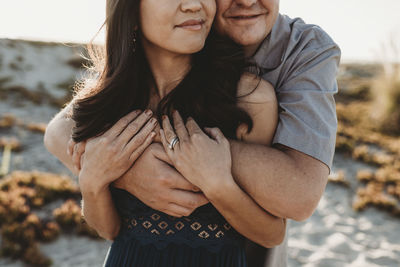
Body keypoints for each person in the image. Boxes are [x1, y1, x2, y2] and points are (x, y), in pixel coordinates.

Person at [45, 0, 341, 266]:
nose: (192, 4)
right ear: (130, 9)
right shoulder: (117, 98)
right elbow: (109, 229)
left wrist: (216, 179)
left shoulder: (252, 97)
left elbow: (277, 225)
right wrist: (97, 179)